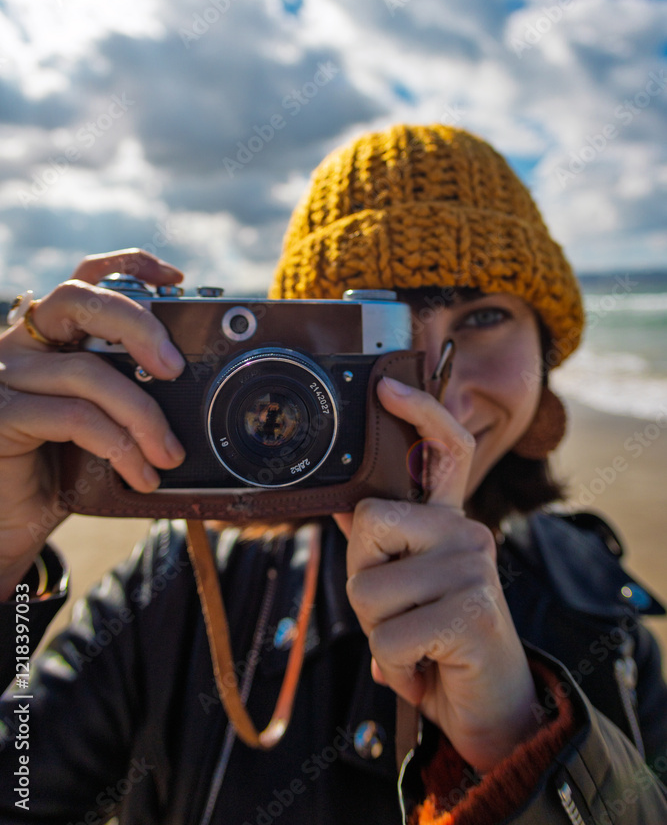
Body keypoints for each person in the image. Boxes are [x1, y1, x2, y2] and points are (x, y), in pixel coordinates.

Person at [0, 123, 665, 824]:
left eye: (486, 315)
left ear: (546, 355)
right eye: (380, 328)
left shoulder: (605, 624)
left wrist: (519, 740)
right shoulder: (177, 589)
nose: (430, 387)